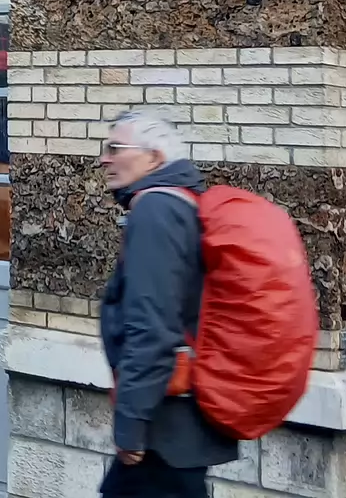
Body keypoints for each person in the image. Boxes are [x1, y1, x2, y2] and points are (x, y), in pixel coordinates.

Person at [96, 110, 238, 497]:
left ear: (154, 158)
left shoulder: (155, 211)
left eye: (115, 148)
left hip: (164, 431)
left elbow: (152, 327)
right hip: (177, 426)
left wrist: (131, 424)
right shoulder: (181, 203)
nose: (104, 159)